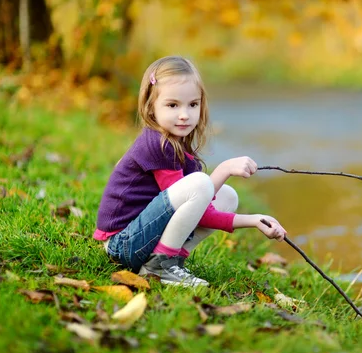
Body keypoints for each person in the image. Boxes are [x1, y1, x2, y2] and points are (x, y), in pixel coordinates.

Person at [94, 55, 287, 287]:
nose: (184, 114)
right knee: (202, 183)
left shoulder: (175, 144)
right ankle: (160, 265)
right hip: (122, 245)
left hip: (139, 238)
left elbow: (199, 203)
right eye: (173, 105)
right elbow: (201, 201)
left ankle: (167, 261)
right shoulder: (158, 144)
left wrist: (257, 219)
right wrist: (227, 173)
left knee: (227, 196)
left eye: (193, 104)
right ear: (151, 107)